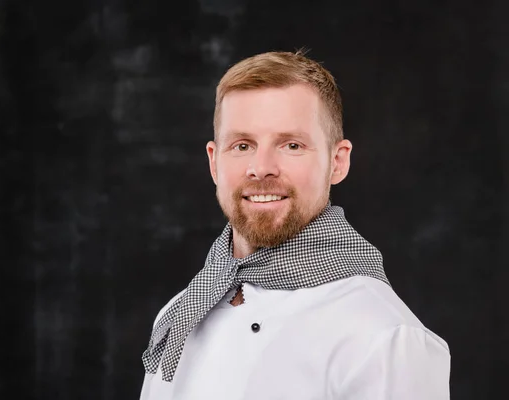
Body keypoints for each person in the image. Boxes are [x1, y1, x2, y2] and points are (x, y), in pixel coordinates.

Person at [139, 50, 451, 400]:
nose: (261, 167)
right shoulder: (182, 311)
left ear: (337, 162)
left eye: (291, 145)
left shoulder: (383, 335)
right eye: (242, 145)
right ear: (214, 163)